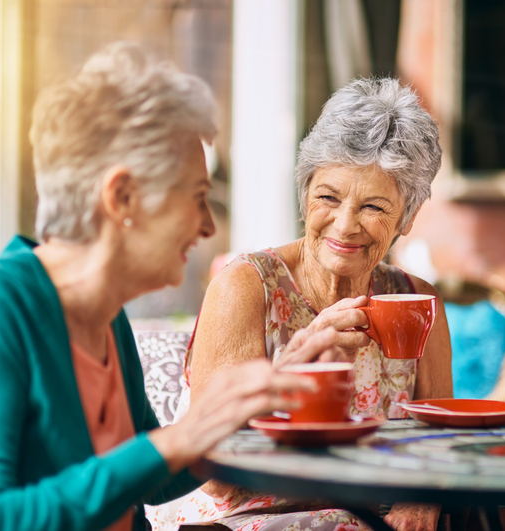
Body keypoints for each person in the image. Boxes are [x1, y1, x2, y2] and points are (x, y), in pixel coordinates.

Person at [0, 42, 328, 531]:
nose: (207, 227)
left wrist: (242, 410)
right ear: (122, 196)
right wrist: (174, 442)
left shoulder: (106, 315)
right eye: (197, 198)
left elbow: (148, 477)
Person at [148, 78, 453, 531]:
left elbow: (443, 442)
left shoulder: (417, 301)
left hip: (374, 517)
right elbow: (210, 473)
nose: (345, 225)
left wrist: (425, 501)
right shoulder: (246, 287)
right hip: (245, 516)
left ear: (405, 219)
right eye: (328, 197)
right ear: (305, 193)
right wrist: (288, 373)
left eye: (373, 207)